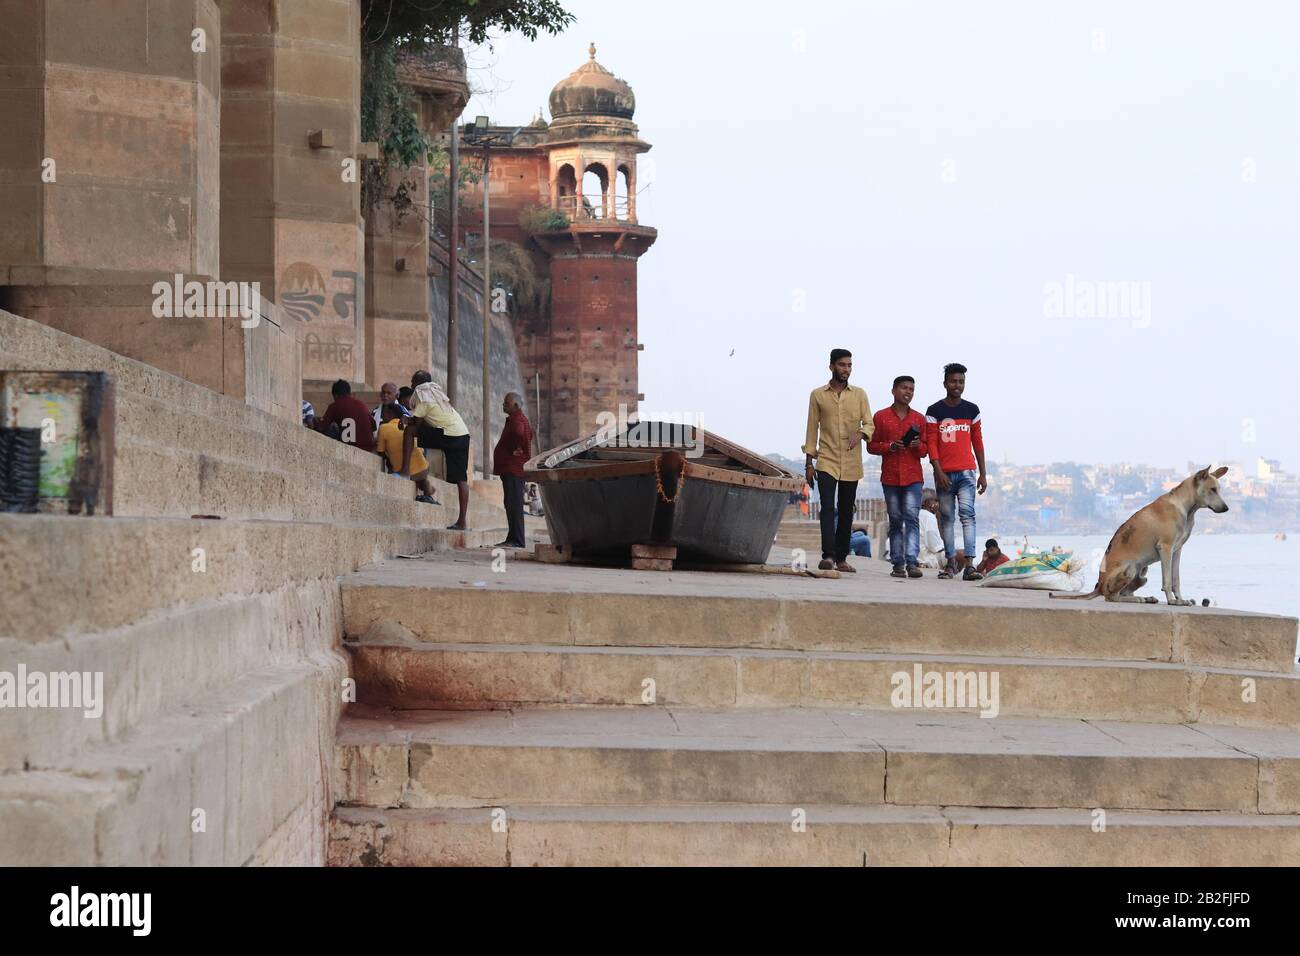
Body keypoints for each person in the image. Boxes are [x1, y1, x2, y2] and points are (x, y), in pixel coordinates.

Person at [803, 348, 874, 573]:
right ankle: (828, 555)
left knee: (845, 509)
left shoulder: (860, 394)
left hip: (851, 461)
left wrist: (861, 433)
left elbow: (870, 424)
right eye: (842, 365)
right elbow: (811, 430)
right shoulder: (818, 395)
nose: (846, 369)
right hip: (826, 459)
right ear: (831, 366)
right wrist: (808, 464)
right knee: (827, 507)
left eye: (849, 365)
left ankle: (842, 558)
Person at [925, 362, 986, 581]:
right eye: (953, 381)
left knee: (968, 516)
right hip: (944, 474)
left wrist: (983, 473)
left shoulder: (972, 410)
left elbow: (977, 442)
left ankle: (969, 564)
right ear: (945, 383)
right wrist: (938, 470)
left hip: (967, 472)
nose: (957, 385)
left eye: (961, 382)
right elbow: (931, 444)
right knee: (948, 519)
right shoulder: (934, 411)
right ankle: (950, 563)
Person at [868, 375, 929, 580]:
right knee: (895, 520)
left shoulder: (919, 419)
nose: (908, 392)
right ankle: (897, 563)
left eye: (912, 389)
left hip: (913, 477)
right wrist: (890, 446)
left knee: (912, 518)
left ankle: (912, 562)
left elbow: (925, 449)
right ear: (893, 390)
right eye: (904, 388)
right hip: (891, 477)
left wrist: (917, 445)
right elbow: (871, 446)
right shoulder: (881, 416)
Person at [402, 371, 471, 530]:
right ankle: (462, 521)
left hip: (448, 435)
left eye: (413, 383)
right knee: (462, 480)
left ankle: (405, 470)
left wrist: (406, 420)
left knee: (410, 431)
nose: (412, 386)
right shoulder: (437, 394)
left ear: (418, 383)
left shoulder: (423, 394)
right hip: (462, 435)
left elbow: (417, 423)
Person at [492, 392, 534, 549]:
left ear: (516, 406)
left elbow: (520, 433)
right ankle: (512, 537)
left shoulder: (518, 421)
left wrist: (516, 447)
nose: (503, 406)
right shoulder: (517, 419)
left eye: (506, 404)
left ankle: (517, 539)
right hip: (510, 468)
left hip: (514, 468)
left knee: (514, 504)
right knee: (510, 503)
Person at [375, 403, 439, 503]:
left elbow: (380, 452)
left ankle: (423, 484)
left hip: (403, 472)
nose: (382, 416)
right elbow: (421, 450)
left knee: (390, 461)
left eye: (383, 413)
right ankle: (425, 484)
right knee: (419, 476)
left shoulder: (384, 428)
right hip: (423, 468)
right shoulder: (408, 426)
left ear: (389, 413)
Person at [316, 379, 375, 451]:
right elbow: (374, 426)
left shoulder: (335, 405)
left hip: (350, 446)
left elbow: (321, 427)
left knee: (330, 429)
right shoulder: (362, 404)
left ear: (335, 395)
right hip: (368, 448)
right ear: (349, 393)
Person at [916, 491, 946, 568]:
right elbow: (935, 547)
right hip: (926, 558)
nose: (938, 504)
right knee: (961, 555)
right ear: (927, 503)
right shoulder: (929, 516)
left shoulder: (917, 514)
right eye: (936, 501)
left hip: (918, 556)